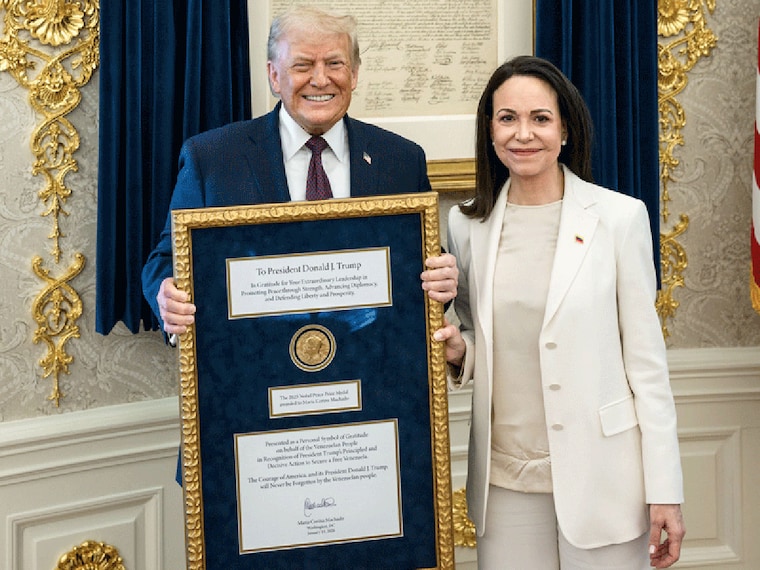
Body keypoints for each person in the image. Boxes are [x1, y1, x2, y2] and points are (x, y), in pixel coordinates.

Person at [433, 56, 685, 569]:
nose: (523, 134)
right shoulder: (465, 225)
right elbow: (479, 338)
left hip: (605, 478)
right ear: (490, 130)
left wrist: (666, 489)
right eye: (507, 119)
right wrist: (460, 351)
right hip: (504, 483)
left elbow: (647, 368)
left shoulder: (619, 218)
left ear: (565, 129)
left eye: (540, 119)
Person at [142, 5, 457, 332]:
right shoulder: (211, 159)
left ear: (355, 73)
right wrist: (166, 296)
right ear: (274, 75)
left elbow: (422, 267)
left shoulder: (401, 159)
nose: (320, 79)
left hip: (370, 364)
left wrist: (442, 281)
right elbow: (166, 261)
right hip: (254, 366)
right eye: (303, 65)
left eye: (335, 63)